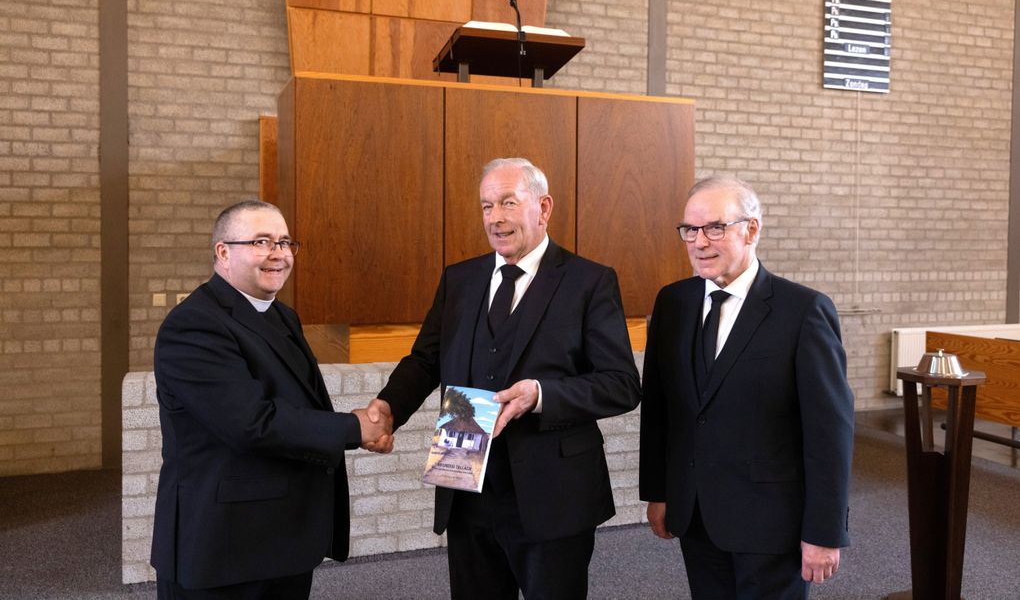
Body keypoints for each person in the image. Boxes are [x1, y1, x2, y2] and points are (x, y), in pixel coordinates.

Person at [362, 157, 641, 599]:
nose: (495, 218)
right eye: (487, 206)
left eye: (509, 202)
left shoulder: (590, 281)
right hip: (465, 479)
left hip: (553, 491)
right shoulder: (460, 278)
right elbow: (425, 360)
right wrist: (388, 407)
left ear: (543, 207)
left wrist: (541, 394)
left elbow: (622, 383)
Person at [150, 200, 389, 600]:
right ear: (223, 252)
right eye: (262, 242)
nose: (278, 253)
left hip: (280, 540)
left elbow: (302, 405)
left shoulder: (282, 315)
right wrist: (356, 428)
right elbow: (251, 423)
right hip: (223, 545)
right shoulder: (194, 324)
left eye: (284, 242)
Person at [639, 176, 854, 599]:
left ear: (752, 229)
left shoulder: (804, 311)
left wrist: (825, 531)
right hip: (696, 513)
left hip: (771, 522)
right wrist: (659, 492)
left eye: (715, 228)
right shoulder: (673, 303)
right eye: (690, 230)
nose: (699, 242)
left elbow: (829, 432)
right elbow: (662, 410)